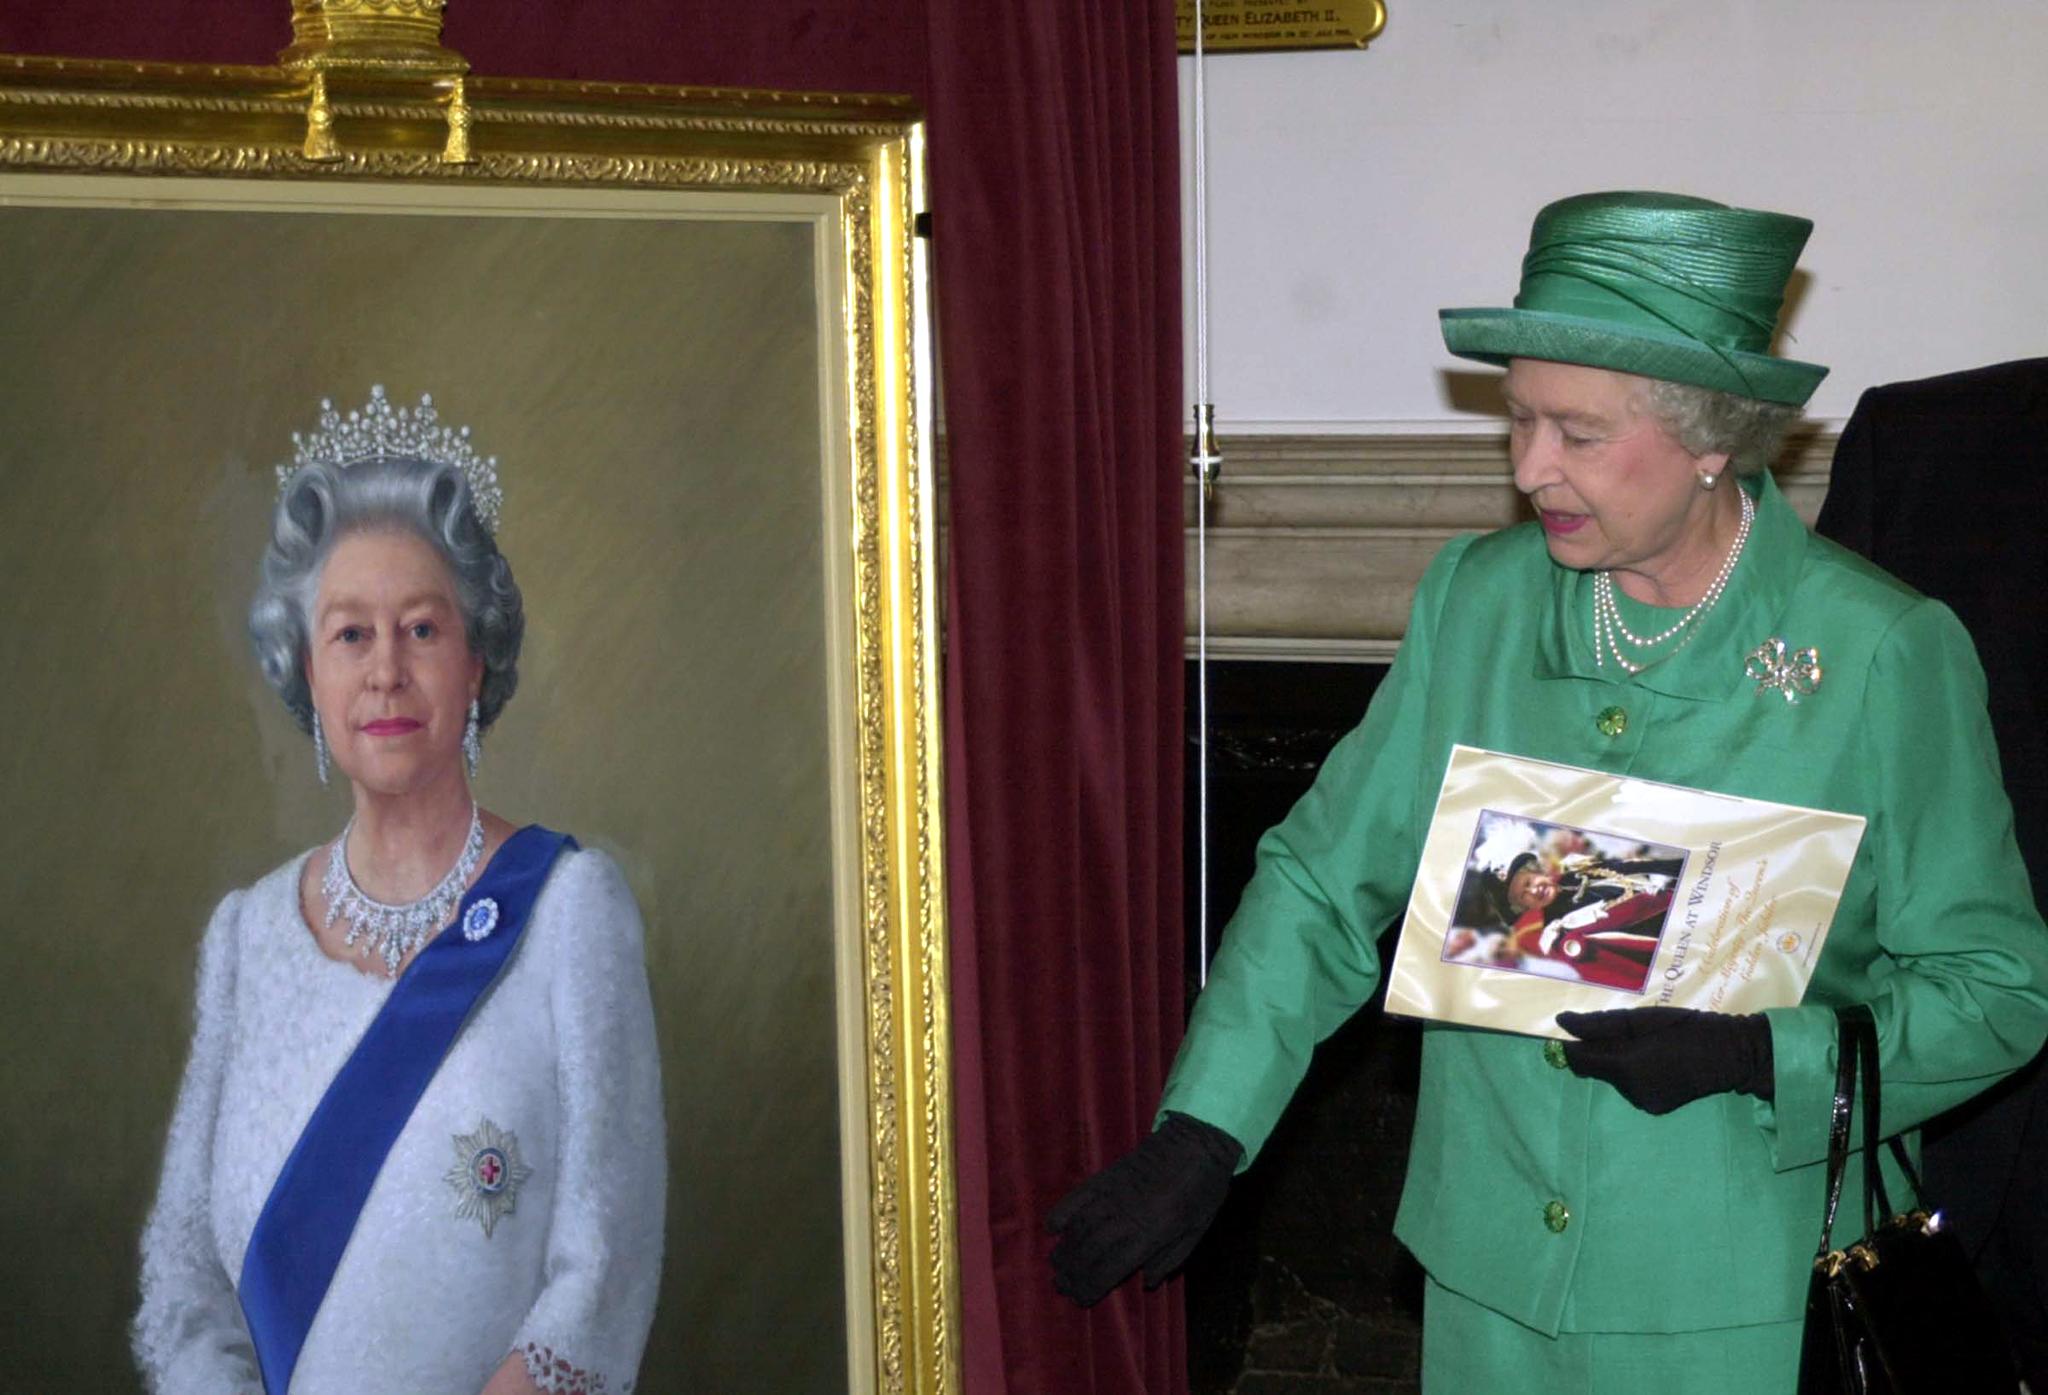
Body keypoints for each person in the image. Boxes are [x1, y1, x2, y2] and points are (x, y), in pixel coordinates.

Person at [1048, 192, 2048, 1389]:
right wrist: (1205, 1126)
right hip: (1486, 1277)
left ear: (1711, 439)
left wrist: (1755, 1060)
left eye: (1575, 433)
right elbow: (1323, 878)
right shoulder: (1476, 601)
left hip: (1736, 1290)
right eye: (1517, 418)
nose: (1528, 469)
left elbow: (1995, 991)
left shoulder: (1877, 650)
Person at [132, 387, 666, 1395]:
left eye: (421, 630)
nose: (385, 672)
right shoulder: (244, 938)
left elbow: (606, 1270)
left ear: (474, 662)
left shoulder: (568, 912)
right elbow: (183, 1278)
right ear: (306, 673)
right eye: (349, 635)